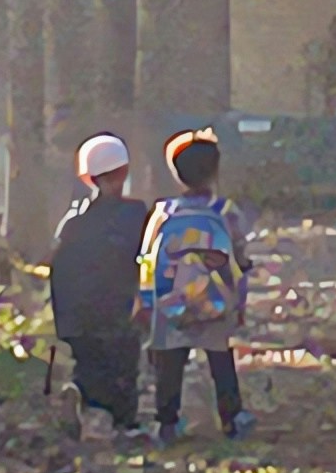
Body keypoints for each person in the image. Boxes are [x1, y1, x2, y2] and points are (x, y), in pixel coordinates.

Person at [144, 129, 253, 442]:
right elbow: (240, 260)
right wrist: (239, 303)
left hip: (171, 301)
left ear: (176, 174)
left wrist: (147, 301)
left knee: (170, 363)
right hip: (215, 300)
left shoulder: (163, 213)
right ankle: (232, 418)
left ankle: (166, 423)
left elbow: (147, 259)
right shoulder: (225, 212)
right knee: (220, 359)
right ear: (215, 172)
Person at [48, 133, 150, 435]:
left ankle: (82, 397)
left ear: (87, 176)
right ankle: (122, 422)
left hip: (79, 313)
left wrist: (63, 320)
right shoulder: (136, 215)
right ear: (124, 172)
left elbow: (58, 270)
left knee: (89, 363)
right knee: (122, 366)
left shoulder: (73, 221)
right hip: (120, 307)